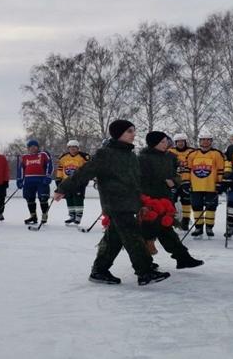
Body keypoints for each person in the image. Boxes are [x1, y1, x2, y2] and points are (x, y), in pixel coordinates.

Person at [54, 119, 170, 286]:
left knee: (114, 239)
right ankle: (145, 272)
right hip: (115, 201)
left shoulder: (130, 155)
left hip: (129, 202)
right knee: (133, 236)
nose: (133, 134)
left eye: (133, 131)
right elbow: (84, 172)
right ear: (118, 134)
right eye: (129, 131)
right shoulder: (105, 154)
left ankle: (99, 271)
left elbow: (135, 181)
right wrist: (63, 188)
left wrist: (140, 201)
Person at [139, 131, 204, 269]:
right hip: (149, 201)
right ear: (153, 143)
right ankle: (146, 263)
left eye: (166, 141)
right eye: (162, 142)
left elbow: (180, 174)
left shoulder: (171, 157)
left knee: (166, 230)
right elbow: (139, 180)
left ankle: (183, 258)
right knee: (148, 233)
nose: (166, 144)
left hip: (166, 200)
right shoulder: (142, 158)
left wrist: (174, 181)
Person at [187, 131, 226, 238]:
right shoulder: (193, 154)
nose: (205, 142)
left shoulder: (217, 154)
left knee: (211, 207)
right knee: (196, 207)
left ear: (211, 141)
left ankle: (209, 227)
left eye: (208, 139)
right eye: (203, 139)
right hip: (196, 186)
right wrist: (186, 182)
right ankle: (198, 228)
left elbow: (221, 170)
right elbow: (188, 170)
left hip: (211, 186)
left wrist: (219, 183)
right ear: (199, 141)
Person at [17, 140, 53, 225]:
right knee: (29, 198)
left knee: (43, 198)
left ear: (38, 147)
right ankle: (33, 216)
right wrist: (19, 180)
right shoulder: (24, 157)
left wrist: (48, 176)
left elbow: (49, 165)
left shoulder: (43, 155)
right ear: (28, 148)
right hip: (29, 181)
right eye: (31, 146)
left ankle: (44, 214)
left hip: (41, 180)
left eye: (35, 146)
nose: (33, 148)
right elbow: (21, 169)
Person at [56, 140, 90, 225]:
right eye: (71, 147)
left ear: (78, 148)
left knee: (78, 198)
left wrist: (85, 179)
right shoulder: (64, 157)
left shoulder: (83, 156)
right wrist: (58, 179)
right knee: (69, 198)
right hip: (67, 182)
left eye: (74, 147)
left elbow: (88, 169)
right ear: (68, 148)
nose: (72, 149)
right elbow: (60, 168)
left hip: (79, 181)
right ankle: (72, 215)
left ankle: (78, 216)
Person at [168, 133, 195, 230]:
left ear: (185, 142)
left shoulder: (192, 151)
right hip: (174, 180)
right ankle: (172, 221)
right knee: (171, 201)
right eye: (178, 142)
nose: (180, 143)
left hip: (186, 180)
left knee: (186, 201)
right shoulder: (170, 151)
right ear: (175, 142)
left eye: (182, 141)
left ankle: (186, 221)